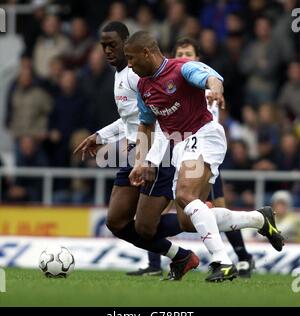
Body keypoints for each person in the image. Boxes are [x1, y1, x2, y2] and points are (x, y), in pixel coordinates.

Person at [125, 31, 284, 282]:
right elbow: (145, 125)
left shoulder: (181, 68)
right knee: (188, 221)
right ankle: (259, 219)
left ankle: (223, 263)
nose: (129, 65)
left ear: (146, 53)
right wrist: (143, 162)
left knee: (186, 196)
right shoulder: (143, 87)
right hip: (181, 148)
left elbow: (212, 78)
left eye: (131, 58)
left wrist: (215, 91)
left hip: (204, 134)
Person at [74, 22, 199, 281]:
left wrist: (149, 159)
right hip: (133, 152)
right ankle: (181, 255)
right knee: (116, 222)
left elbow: (155, 120)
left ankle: (202, 216)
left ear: (127, 44)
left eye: (113, 45)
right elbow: (133, 119)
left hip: (154, 152)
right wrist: (100, 135)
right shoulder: (121, 75)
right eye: (103, 46)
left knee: (144, 227)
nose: (108, 50)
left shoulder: (136, 75)